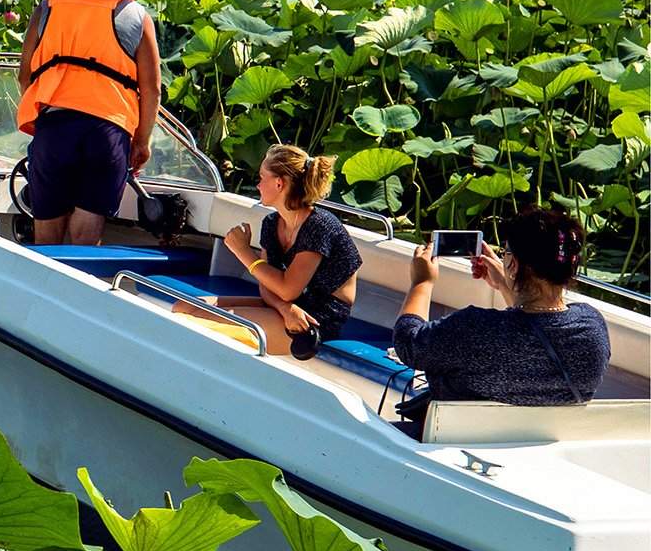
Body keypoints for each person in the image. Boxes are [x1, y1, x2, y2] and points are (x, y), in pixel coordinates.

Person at [14, 0, 161, 246]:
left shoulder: (47, 8)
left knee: (47, 226)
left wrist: (39, 117)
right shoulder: (135, 14)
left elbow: (25, 73)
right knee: (88, 223)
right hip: (109, 130)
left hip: (55, 124)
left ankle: (44, 285)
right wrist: (142, 141)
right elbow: (152, 89)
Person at [393, 207, 610, 408]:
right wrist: (507, 287)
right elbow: (535, 330)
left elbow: (408, 344)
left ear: (513, 264)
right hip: (538, 446)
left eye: (506, 253)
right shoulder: (592, 327)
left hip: (454, 443)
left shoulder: (474, 329)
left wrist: (422, 282)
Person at [210, 144, 362, 355]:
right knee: (184, 307)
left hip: (314, 319)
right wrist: (284, 308)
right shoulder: (272, 223)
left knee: (204, 324)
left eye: (262, 177)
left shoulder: (319, 226)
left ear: (279, 183)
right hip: (287, 307)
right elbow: (268, 288)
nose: (258, 185)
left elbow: (289, 289)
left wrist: (242, 252)